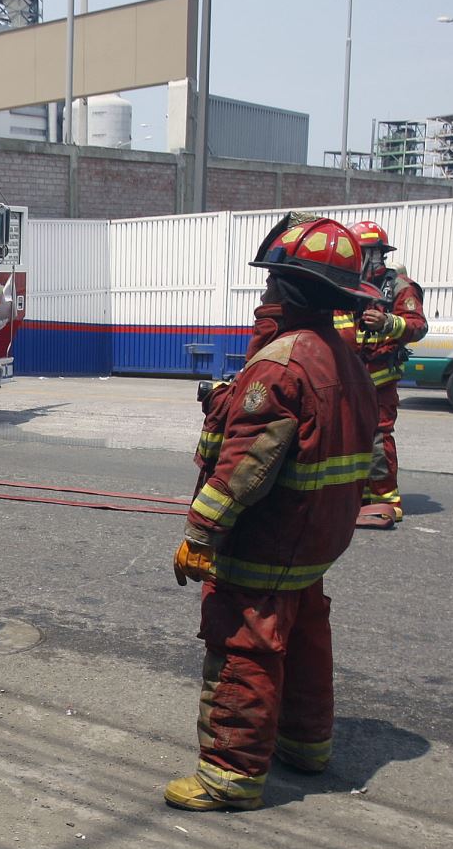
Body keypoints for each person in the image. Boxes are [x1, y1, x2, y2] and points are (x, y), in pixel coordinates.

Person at [168, 215, 378, 812]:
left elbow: (244, 465)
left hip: (269, 537)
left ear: (286, 287)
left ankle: (229, 775)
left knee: (244, 642)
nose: (263, 294)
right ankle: (306, 744)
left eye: (269, 285)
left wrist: (202, 535)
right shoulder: (339, 356)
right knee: (306, 630)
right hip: (318, 538)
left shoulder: (282, 365)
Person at [338, 220, 426, 521]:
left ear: (377, 254)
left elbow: (418, 326)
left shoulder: (399, 287)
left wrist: (388, 323)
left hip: (379, 382)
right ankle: (360, 496)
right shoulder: (344, 286)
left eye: (359, 252)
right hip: (347, 379)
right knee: (350, 438)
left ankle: (386, 499)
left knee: (377, 438)